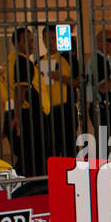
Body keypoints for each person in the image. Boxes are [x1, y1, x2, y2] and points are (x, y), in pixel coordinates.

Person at [0, 26, 51, 175]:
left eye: (32, 41)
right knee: (35, 158)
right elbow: (20, 90)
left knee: (25, 157)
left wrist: (7, 120)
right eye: (27, 41)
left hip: (14, 113)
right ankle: (32, 189)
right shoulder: (22, 62)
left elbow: (8, 97)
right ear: (18, 43)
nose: (32, 45)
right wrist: (17, 118)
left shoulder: (8, 63)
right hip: (28, 116)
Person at [41, 23, 81, 158]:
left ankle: (72, 175)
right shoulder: (38, 62)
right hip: (46, 112)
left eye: (54, 38)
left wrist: (62, 78)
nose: (50, 42)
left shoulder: (68, 59)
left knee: (69, 146)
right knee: (50, 147)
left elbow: (80, 82)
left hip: (66, 110)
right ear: (43, 40)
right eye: (47, 38)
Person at [85, 28, 111, 141]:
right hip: (105, 109)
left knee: (109, 146)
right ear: (99, 42)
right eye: (110, 40)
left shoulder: (104, 60)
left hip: (107, 109)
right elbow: (102, 88)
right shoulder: (98, 61)